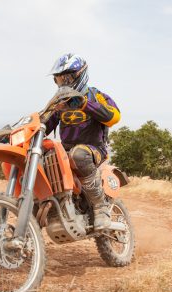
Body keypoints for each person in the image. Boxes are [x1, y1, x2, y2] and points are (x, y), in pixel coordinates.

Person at [46, 53, 121, 230]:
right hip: (67, 150)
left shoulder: (96, 95)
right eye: (59, 79)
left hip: (94, 150)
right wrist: (16, 130)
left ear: (79, 75)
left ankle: (100, 207)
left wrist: (84, 104)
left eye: (67, 77)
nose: (63, 82)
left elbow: (114, 117)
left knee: (78, 154)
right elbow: (43, 122)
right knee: (44, 155)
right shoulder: (60, 103)